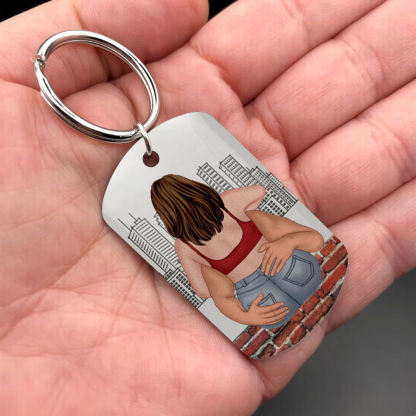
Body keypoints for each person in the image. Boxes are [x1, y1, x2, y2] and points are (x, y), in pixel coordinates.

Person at [0, 0, 415, 415]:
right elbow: (256, 201)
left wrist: (249, 309)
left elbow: (210, 290)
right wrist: (268, 247)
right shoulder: (226, 210)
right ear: (197, 190)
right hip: (291, 274)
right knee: (277, 241)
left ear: (165, 217)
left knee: (260, 259)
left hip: (265, 294)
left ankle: (272, 280)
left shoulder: (191, 242)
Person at [151, 174, 324, 328]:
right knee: (257, 218)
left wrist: (246, 315)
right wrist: (286, 243)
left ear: (168, 217)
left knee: (211, 275)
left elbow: (202, 291)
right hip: (301, 270)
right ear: (197, 189)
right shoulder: (230, 204)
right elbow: (260, 190)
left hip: (263, 304)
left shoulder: (184, 246)